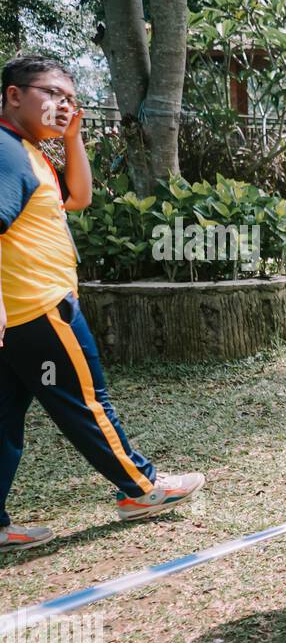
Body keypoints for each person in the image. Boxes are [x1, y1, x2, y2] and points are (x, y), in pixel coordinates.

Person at [0, 55, 204, 549]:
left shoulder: (26, 150)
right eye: (51, 94)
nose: (62, 105)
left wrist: (71, 137)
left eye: (70, 98)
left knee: (3, 421)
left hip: (21, 319)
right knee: (88, 403)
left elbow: (79, 197)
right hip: (40, 311)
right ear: (13, 94)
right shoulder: (6, 152)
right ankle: (142, 489)